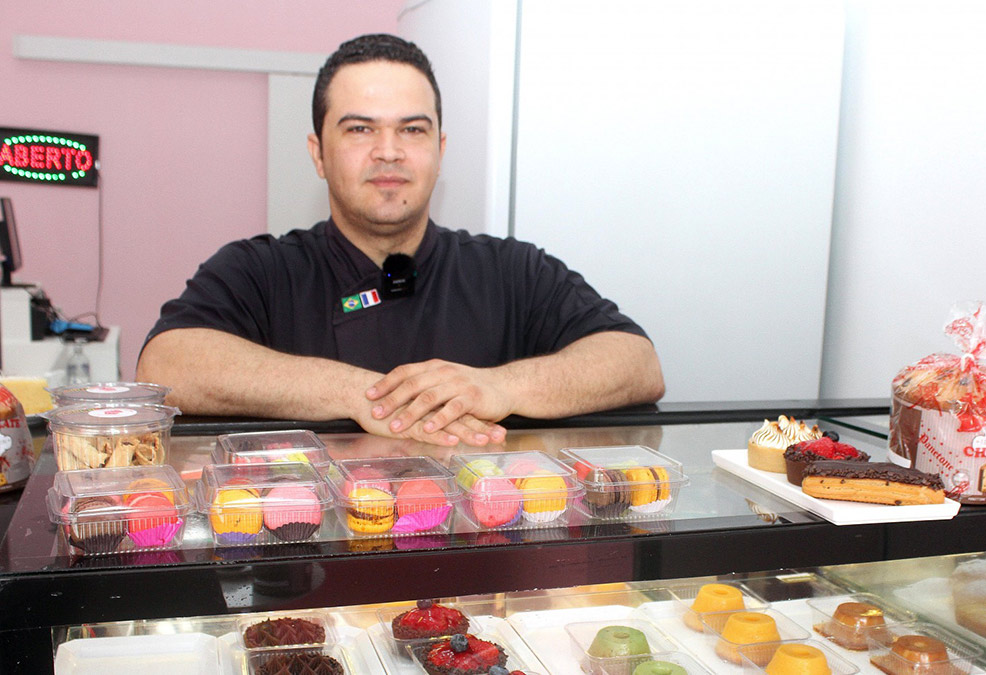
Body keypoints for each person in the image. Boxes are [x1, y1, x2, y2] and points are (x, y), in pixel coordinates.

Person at [137, 34, 664, 446]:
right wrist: (361, 397)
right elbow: (167, 364)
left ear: (439, 148)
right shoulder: (259, 270)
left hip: (485, 573)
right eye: (360, 129)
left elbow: (635, 362)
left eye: (412, 130)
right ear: (318, 153)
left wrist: (500, 387)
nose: (388, 151)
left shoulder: (512, 270)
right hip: (309, 568)